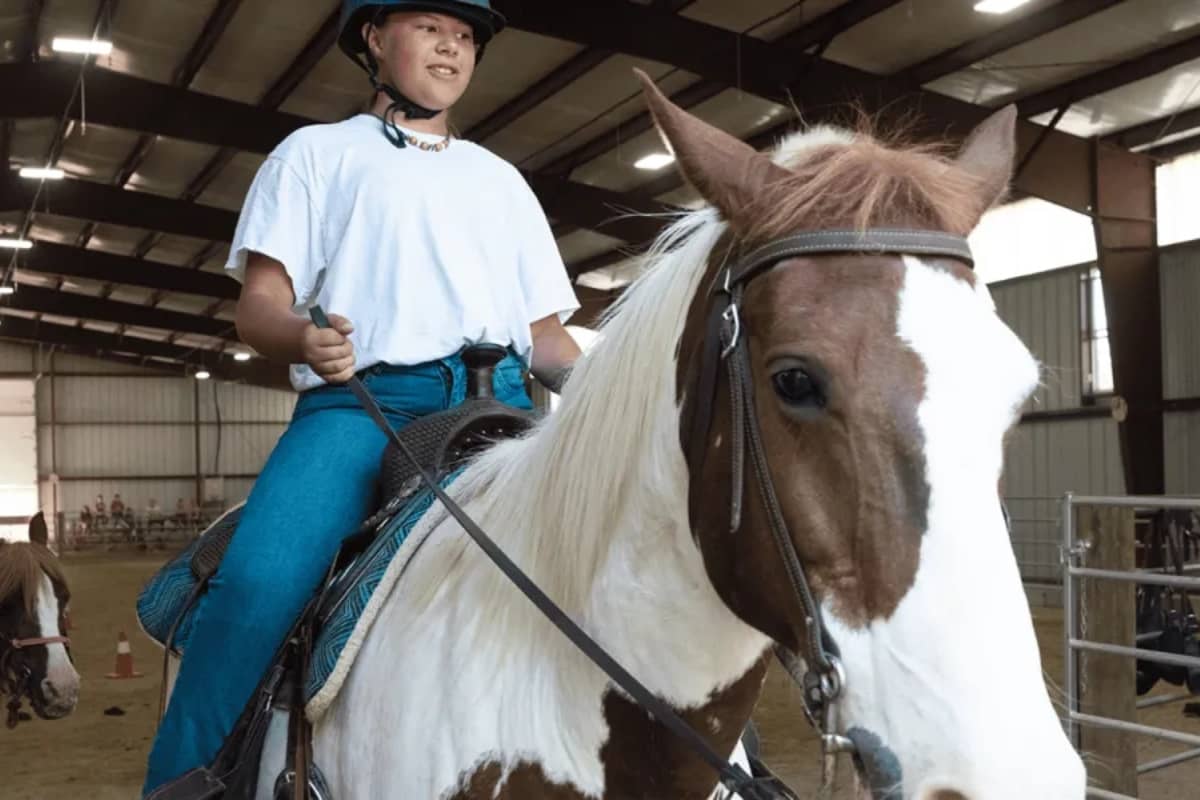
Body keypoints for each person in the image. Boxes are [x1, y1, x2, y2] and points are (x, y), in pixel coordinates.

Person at [142, 1, 581, 794]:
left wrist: (602, 394)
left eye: (466, 35)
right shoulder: (315, 154)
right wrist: (303, 339)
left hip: (506, 406)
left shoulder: (502, 180)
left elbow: (547, 338)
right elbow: (260, 307)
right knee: (259, 585)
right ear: (375, 41)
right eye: (431, 28)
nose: (453, 45)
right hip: (368, 405)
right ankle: (187, 781)